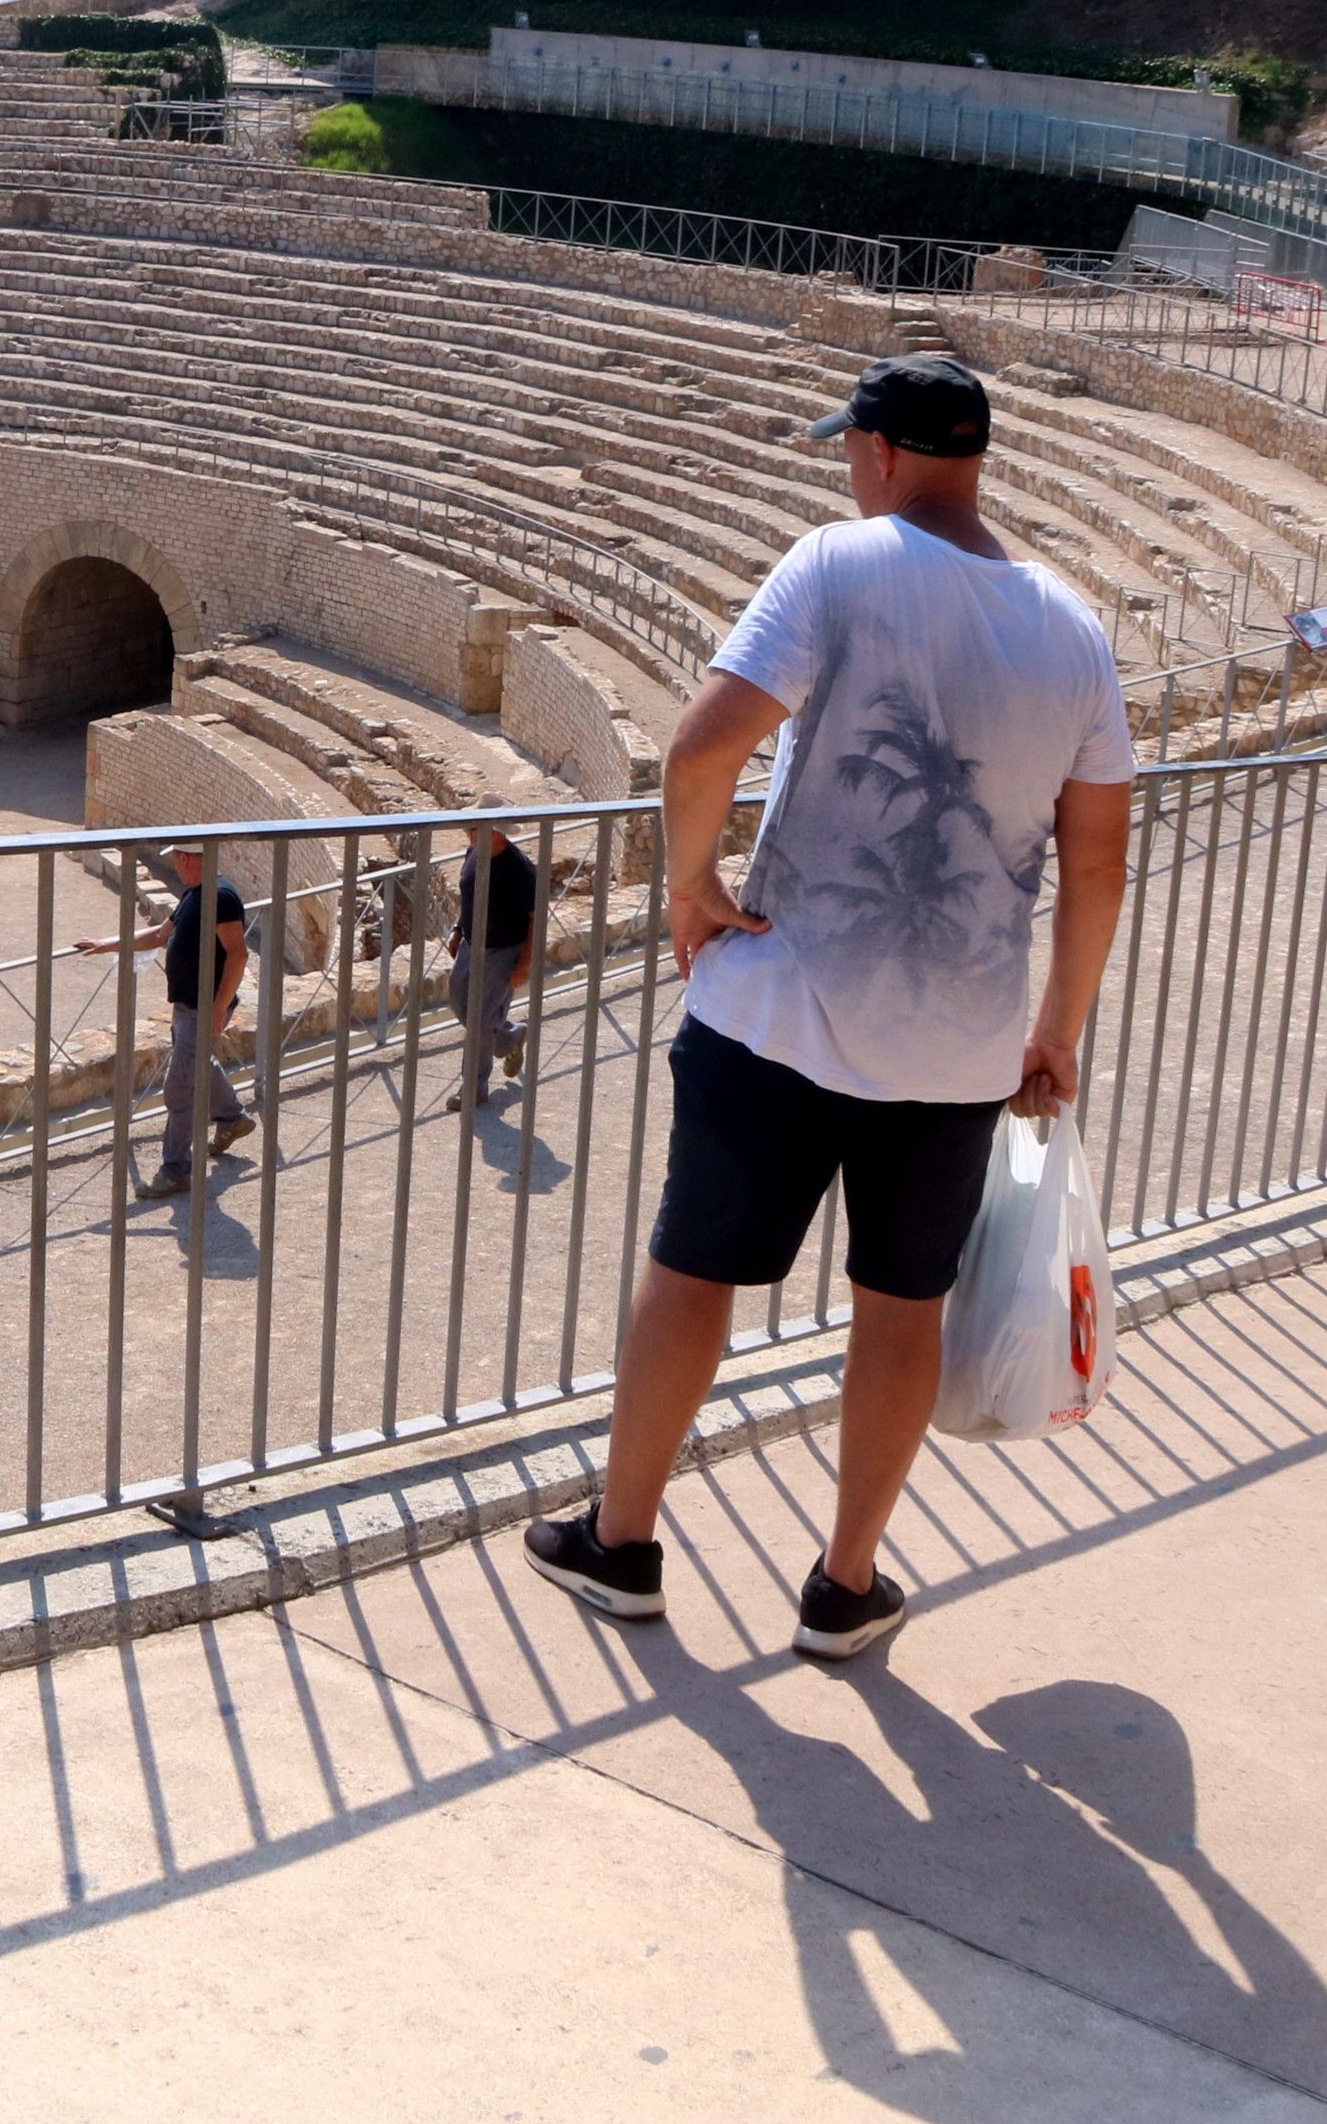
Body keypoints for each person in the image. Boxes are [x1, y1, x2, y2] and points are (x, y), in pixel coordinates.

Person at [526, 354, 1134, 1661]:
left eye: (847, 451)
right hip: (964, 1045)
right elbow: (1097, 863)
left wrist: (693, 890)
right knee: (899, 1307)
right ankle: (844, 1583)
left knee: (695, 1272)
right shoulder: (1074, 628)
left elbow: (699, 748)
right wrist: (1055, 1033)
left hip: (782, 1007)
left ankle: (622, 1542)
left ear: (879, 451)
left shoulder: (835, 564)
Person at [72, 842, 249, 1203]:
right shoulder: (195, 893)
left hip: (202, 1008)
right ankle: (231, 1119)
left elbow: (238, 953)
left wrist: (218, 1007)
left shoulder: (222, 897)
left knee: (180, 1087)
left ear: (185, 859)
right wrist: (108, 944)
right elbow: (158, 936)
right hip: (188, 1006)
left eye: (175, 860)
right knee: (198, 1064)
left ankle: (175, 1170)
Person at [445, 815, 540, 1114]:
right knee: (461, 1004)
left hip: (503, 951)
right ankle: (510, 1035)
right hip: (471, 946)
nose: (468, 832)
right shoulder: (473, 852)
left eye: (474, 827)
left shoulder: (520, 869)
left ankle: (474, 1087)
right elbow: (469, 894)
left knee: (480, 1018)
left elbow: (536, 920)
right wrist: (458, 930)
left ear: (496, 832)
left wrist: (525, 962)